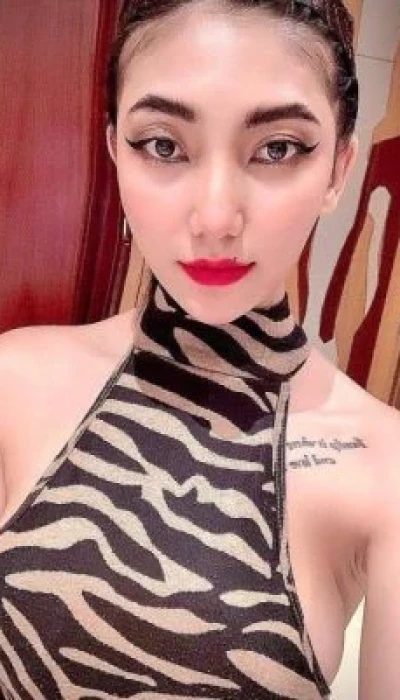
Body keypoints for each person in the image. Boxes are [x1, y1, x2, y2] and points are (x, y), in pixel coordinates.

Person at [0, 0, 399, 698]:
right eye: (163, 145)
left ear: (339, 169)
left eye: (278, 148)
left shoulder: (385, 468)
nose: (216, 218)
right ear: (114, 151)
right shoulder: (15, 377)